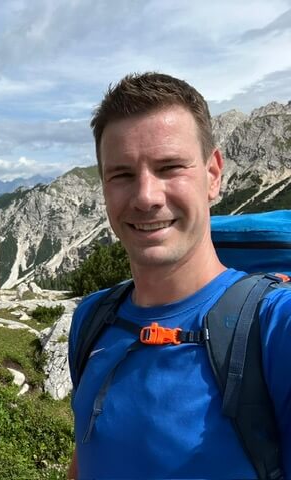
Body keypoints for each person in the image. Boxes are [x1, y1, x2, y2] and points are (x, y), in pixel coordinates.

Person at [67, 72, 291, 479]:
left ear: (213, 175)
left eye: (170, 167)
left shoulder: (275, 327)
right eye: (121, 174)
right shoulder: (92, 319)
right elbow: (87, 453)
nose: (146, 197)